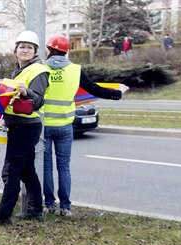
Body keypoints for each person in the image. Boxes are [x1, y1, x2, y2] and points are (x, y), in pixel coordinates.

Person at [42, 34, 129, 217]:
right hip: (65, 125)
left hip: (44, 126)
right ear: (66, 52)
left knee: (47, 167)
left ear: (49, 49)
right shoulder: (75, 70)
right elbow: (95, 89)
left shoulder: (40, 68)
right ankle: (65, 207)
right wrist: (117, 93)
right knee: (64, 167)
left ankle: (49, 204)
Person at [0, 30, 48, 225]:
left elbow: (39, 100)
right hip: (18, 126)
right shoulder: (20, 70)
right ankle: (35, 211)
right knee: (26, 171)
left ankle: (3, 215)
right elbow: (5, 87)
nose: (25, 50)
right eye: (22, 47)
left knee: (11, 171)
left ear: (35, 52)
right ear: (16, 50)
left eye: (29, 47)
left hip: (25, 128)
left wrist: (27, 93)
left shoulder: (38, 71)